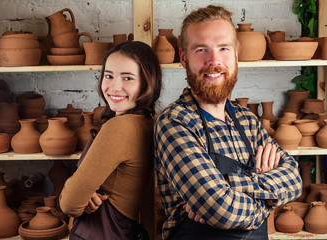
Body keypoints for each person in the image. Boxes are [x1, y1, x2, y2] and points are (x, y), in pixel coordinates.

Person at [154, 5, 302, 240]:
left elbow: (294, 179)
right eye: (201, 49)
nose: (214, 60)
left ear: (235, 54)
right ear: (183, 58)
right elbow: (221, 210)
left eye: (223, 48)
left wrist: (228, 187)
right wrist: (268, 201)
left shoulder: (248, 121)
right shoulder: (174, 123)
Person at [59, 41, 162, 240]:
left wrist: (76, 190)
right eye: (109, 76)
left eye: (128, 78)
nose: (115, 87)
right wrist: (87, 192)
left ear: (146, 83)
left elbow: (69, 204)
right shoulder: (148, 122)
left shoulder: (120, 128)